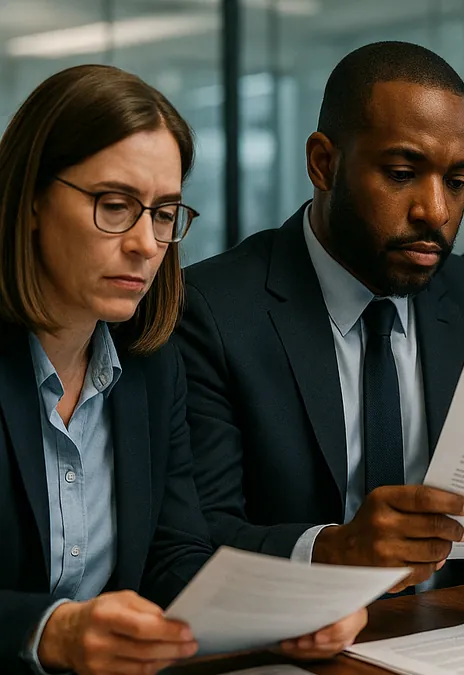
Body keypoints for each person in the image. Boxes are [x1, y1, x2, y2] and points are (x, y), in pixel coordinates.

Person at [177, 42, 464, 594]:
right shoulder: (212, 310)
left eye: (456, 181)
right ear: (323, 164)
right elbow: (193, 542)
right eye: (402, 173)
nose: (437, 212)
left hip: (454, 633)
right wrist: (333, 550)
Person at [0, 65, 364, 675]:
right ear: (32, 200)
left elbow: (172, 556)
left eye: (164, 213)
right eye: (115, 206)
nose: (146, 242)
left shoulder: (151, 362)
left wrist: (283, 610)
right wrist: (49, 631)